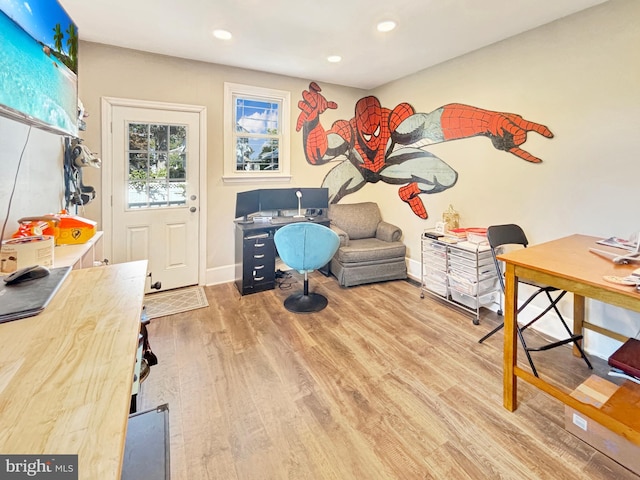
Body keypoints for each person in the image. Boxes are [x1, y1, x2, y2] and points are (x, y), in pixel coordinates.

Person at [296, 82, 553, 218]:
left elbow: (433, 122)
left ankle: (410, 192)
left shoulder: (394, 119)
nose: (371, 136)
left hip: (390, 162)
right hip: (357, 166)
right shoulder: (347, 128)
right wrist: (312, 121)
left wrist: (488, 122)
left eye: (375, 131)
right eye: (366, 132)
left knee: (446, 176)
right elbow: (319, 152)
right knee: (322, 196)